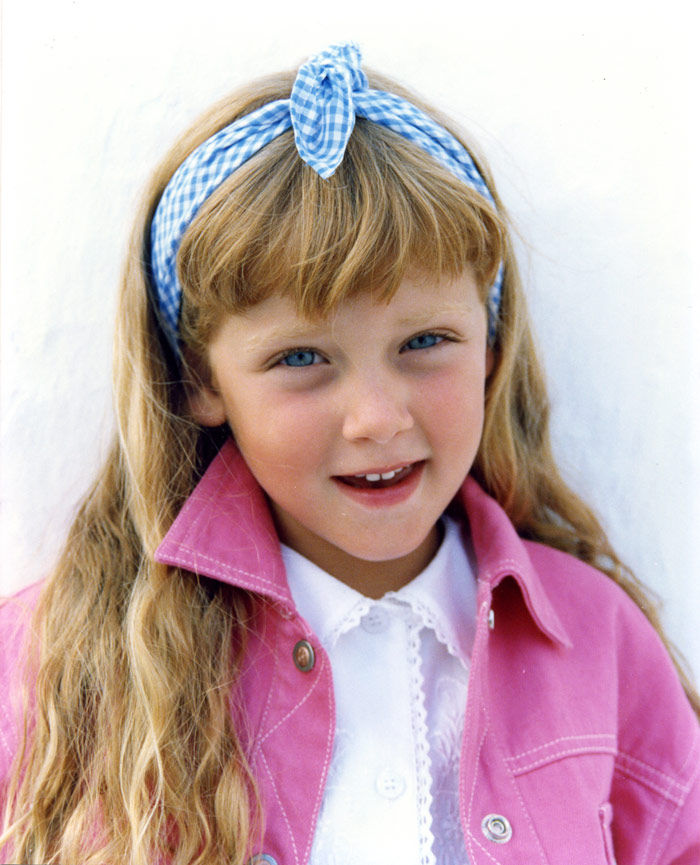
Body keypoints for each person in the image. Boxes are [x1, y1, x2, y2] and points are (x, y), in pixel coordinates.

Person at [1, 42, 698, 865]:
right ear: (199, 377)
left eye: (425, 341)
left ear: (490, 344)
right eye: (301, 357)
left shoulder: (599, 643)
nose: (376, 418)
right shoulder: (56, 664)